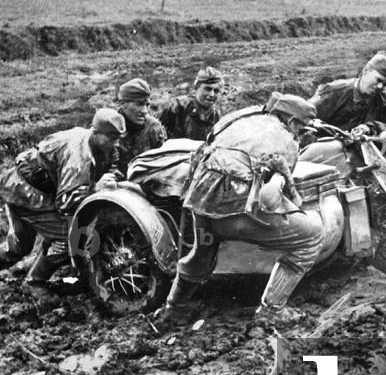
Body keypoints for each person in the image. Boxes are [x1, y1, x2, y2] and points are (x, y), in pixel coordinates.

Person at [157, 92, 324, 318]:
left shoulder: (241, 118)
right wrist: (289, 184)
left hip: (201, 202)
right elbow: (283, 196)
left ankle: (174, 307)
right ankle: (272, 310)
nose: (302, 135)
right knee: (311, 236)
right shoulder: (285, 140)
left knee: (201, 252)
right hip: (235, 213)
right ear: (292, 122)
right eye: (302, 129)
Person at [0, 108, 126, 298]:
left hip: (34, 190)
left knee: (18, 247)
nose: (115, 144)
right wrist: (96, 188)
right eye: (111, 138)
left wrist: (110, 176)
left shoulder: (100, 146)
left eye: (118, 138)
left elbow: (111, 166)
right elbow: (66, 203)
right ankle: (34, 281)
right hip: (26, 192)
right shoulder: (77, 155)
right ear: (95, 132)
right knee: (73, 238)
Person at [310, 52, 386, 134]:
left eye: (385, 84)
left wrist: (371, 128)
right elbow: (305, 115)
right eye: (378, 80)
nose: (380, 86)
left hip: (367, 150)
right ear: (366, 71)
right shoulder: (334, 91)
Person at [115, 78, 167, 176]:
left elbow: (162, 164)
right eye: (139, 104)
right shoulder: (109, 127)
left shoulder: (153, 127)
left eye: (147, 105)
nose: (145, 111)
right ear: (122, 103)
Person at [158, 66, 224, 140]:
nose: (212, 94)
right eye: (207, 89)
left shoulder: (217, 117)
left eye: (216, 91)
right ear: (196, 88)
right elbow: (157, 135)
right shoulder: (177, 107)